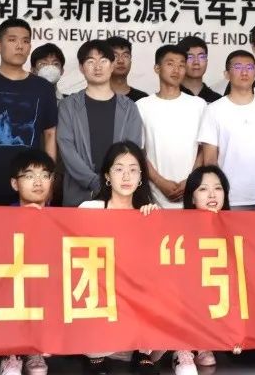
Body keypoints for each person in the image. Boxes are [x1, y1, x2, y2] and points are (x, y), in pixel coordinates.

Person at [78, 141, 160, 375]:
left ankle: (142, 351)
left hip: (134, 296)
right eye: (119, 169)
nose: (126, 176)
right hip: (100, 293)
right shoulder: (89, 209)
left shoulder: (147, 213)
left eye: (133, 170)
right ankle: (95, 355)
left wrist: (157, 225)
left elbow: (159, 267)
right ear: (107, 175)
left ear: (141, 177)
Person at [0, 18, 59, 205]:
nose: (20, 46)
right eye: (12, 40)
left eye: (25, 41)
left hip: (30, 189)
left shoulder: (43, 88)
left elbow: (50, 136)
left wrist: (49, 182)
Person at [197, 50, 255, 210]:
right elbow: (210, 160)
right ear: (227, 74)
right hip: (229, 198)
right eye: (238, 67)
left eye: (250, 67)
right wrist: (218, 193)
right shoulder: (213, 110)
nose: (244, 72)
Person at [57, 40, 143, 206]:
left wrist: (113, 181)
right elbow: (66, 149)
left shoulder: (129, 108)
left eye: (103, 61)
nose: (97, 67)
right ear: (81, 68)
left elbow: (133, 149)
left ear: (112, 65)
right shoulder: (68, 106)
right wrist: (95, 182)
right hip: (78, 194)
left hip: (119, 195)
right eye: (90, 62)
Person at [0, 150, 56, 375]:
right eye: (30, 176)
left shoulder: (62, 219)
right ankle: (11, 353)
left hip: (43, 289)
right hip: (11, 287)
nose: (38, 182)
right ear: (15, 183)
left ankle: (35, 350)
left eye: (45, 175)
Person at [172, 166, 231, 375]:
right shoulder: (178, 228)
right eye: (204, 189)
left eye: (218, 188)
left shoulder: (236, 228)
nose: (212, 195)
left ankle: (205, 345)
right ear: (192, 197)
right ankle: (183, 350)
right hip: (185, 302)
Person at [138, 44, 206, 208]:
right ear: (157, 68)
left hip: (193, 193)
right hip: (154, 196)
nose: (176, 70)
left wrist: (191, 180)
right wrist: (159, 181)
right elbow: (139, 151)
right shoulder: (142, 106)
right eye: (170, 64)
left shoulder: (199, 105)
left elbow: (205, 149)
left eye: (181, 65)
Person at [178, 35, 222, 104]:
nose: (196, 62)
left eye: (201, 57)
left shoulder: (218, 101)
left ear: (206, 61)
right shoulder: (169, 98)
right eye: (190, 57)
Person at [105, 35, 149, 101]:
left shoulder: (143, 99)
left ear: (130, 62)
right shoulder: (93, 97)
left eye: (125, 55)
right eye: (115, 56)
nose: (121, 61)